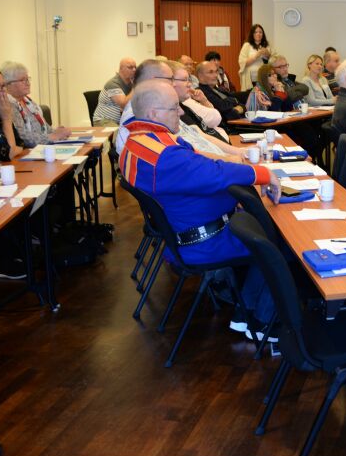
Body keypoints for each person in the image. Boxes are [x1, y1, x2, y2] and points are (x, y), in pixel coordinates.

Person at [120, 79, 281, 340]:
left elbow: (198, 164)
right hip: (204, 241)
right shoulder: (166, 155)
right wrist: (261, 173)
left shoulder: (138, 143)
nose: (182, 112)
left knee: (263, 225)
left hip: (188, 233)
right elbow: (213, 173)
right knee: (278, 241)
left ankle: (244, 309)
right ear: (153, 114)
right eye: (175, 108)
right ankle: (260, 321)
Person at [117, 60, 243, 161]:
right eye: (170, 79)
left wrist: (233, 156)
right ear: (154, 79)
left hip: (216, 164)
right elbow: (183, 157)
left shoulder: (163, 108)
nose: (174, 84)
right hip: (208, 173)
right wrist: (228, 160)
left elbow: (196, 140)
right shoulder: (144, 113)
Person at [1, 61, 71, 147]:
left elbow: (46, 128)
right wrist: (53, 136)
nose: (28, 83)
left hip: (42, 148)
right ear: (8, 84)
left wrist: (58, 132)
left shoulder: (28, 102)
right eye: (23, 80)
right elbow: (23, 138)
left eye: (28, 79)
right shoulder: (8, 106)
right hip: (27, 153)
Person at [197, 59, 246, 125]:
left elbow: (241, 104)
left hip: (240, 123)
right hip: (230, 128)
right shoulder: (201, 93)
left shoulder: (218, 89)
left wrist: (237, 106)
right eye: (211, 72)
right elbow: (225, 111)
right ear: (200, 76)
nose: (215, 75)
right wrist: (236, 106)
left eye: (216, 71)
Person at [92, 58, 137, 126]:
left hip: (121, 121)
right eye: (130, 67)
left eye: (135, 67)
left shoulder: (130, 84)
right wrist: (136, 86)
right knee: (120, 134)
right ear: (121, 69)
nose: (134, 70)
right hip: (104, 121)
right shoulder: (113, 84)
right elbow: (123, 104)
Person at [237, 23, 271, 90]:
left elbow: (272, 61)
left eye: (260, 32)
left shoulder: (267, 46)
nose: (258, 34)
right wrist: (256, 56)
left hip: (263, 78)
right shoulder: (247, 45)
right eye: (256, 32)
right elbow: (242, 62)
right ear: (252, 34)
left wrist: (267, 54)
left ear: (263, 34)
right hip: (250, 79)